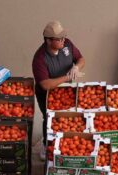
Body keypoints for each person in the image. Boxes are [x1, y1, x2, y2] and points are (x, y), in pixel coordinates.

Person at [31, 21, 86, 159]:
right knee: (49, 119)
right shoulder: (40, 59)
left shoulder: (67, 44)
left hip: (67, 91)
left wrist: (76, 67)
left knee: (67, 119)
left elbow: (81, 59)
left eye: (63, 37)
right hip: (47, 95)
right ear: (48, 41)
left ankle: (64, 144)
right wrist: (67, 77)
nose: (63, 40)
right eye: (59, 39)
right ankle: (46, 145)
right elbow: (45, 84)